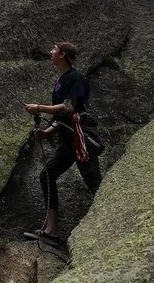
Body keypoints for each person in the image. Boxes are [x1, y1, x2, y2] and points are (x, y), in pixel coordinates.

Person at [23, 41, 103, 247]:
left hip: (81, 137)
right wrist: (46, 131)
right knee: (47, 175)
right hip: (69, 138)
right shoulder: (62, 79)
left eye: (54, 50)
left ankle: (111, 223)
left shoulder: (75, 77)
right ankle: (51, 232)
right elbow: (61, 118)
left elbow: (68, 108)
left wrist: (40, 107)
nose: (50, 52)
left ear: (62, 54)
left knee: (94, 181)